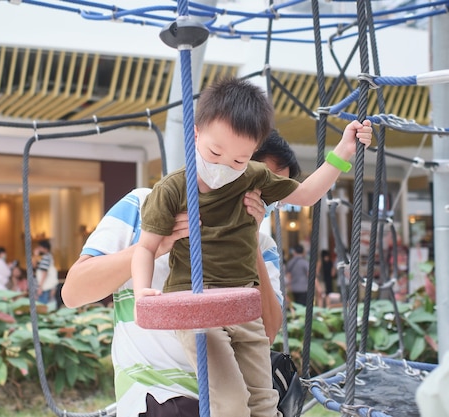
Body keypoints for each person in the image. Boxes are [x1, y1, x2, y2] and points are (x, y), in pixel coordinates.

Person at [131, 77, 372, 417]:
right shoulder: (172, 190)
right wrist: (143, 291)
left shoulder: (253, 176)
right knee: (230, 403)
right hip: (197, 305)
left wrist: (343, 152)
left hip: (243, 304)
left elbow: (305, 195)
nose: (224, 166)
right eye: (215, 152)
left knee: (264, 402)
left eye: (239, 159)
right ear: (196, 133)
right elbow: (145, 248)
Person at [62, 132, 303, 417]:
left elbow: (267, 333)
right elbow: (74, 292)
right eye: (261, 186)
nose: (263, 200)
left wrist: (247, 239)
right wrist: (152, 247)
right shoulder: (145, 206)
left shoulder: (263, 247)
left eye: (273, 196)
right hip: (160, 396)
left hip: (231, 399)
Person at [35, 239, 58, 309]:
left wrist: (40, 287)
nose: (38, 249)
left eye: (39, 247)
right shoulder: (48, 257)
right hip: (47, 287)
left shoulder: (46, 257)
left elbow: (44, 272)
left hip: (45, 287)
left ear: (44, 248)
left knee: (43, 308)